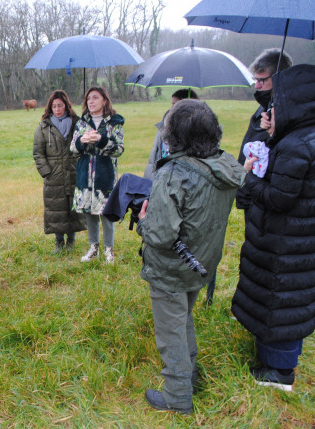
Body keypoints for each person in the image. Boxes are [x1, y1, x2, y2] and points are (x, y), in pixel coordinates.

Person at [137, 99, 245, 414]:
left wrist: (144, 220)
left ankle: (177, 397)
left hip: (171, 268)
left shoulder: (175, 173)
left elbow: (160, 234)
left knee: (171, 331)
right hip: (202, 263)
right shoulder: (225, 164)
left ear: (176, 137)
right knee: (182, 319)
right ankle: (190, 376)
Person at [232, 64, 315, 392]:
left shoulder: (297, 146)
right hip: (293, 242)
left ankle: (279, 374)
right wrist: (272, 135)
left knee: (281, 300)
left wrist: (249, 177)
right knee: (287, 301)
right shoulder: (300, 137)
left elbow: (279, 198)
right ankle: (277, 360)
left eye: (276, 102)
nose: (270, 110)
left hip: (285, 243)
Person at [70, 87, 124, 263]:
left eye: (95, 98)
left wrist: (101, 141)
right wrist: (82, 142)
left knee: (106, 214)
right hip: (85, 174)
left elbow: (119, 149)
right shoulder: (81, 123)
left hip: (105, 174)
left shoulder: (114, 123)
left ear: (104, 101)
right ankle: (93, 248)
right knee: (89, 213)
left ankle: (109, 250)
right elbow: (72, 148)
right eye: (88, 99)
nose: (91, 102)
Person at [235, 48, 292, 211]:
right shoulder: (262, 108)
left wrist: (275, 133)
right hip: (252, 194)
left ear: (280, 78)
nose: (257, 86)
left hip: (269, 199)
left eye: (263, 80)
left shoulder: (292, 112)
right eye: (256, 79)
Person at [33, 90, 86, 253]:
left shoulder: (77, 123)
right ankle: (58, 242)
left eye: (60, 105)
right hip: (54, 176)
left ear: (66, 106)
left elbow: (83, 148)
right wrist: (47, 172)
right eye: (54, 106)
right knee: (56, 209)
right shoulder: (44, 127)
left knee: (72, 208)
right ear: (50, 107)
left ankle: (71, 241)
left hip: (73, 173)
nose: (57, 109)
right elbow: (38, 152)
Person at [143, 88, 199, 180]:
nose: (172, 108)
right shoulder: (163, 125)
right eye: (172, 104)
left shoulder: (198, 129)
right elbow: (156, 155)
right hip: (159, 177)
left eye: (175, 104)